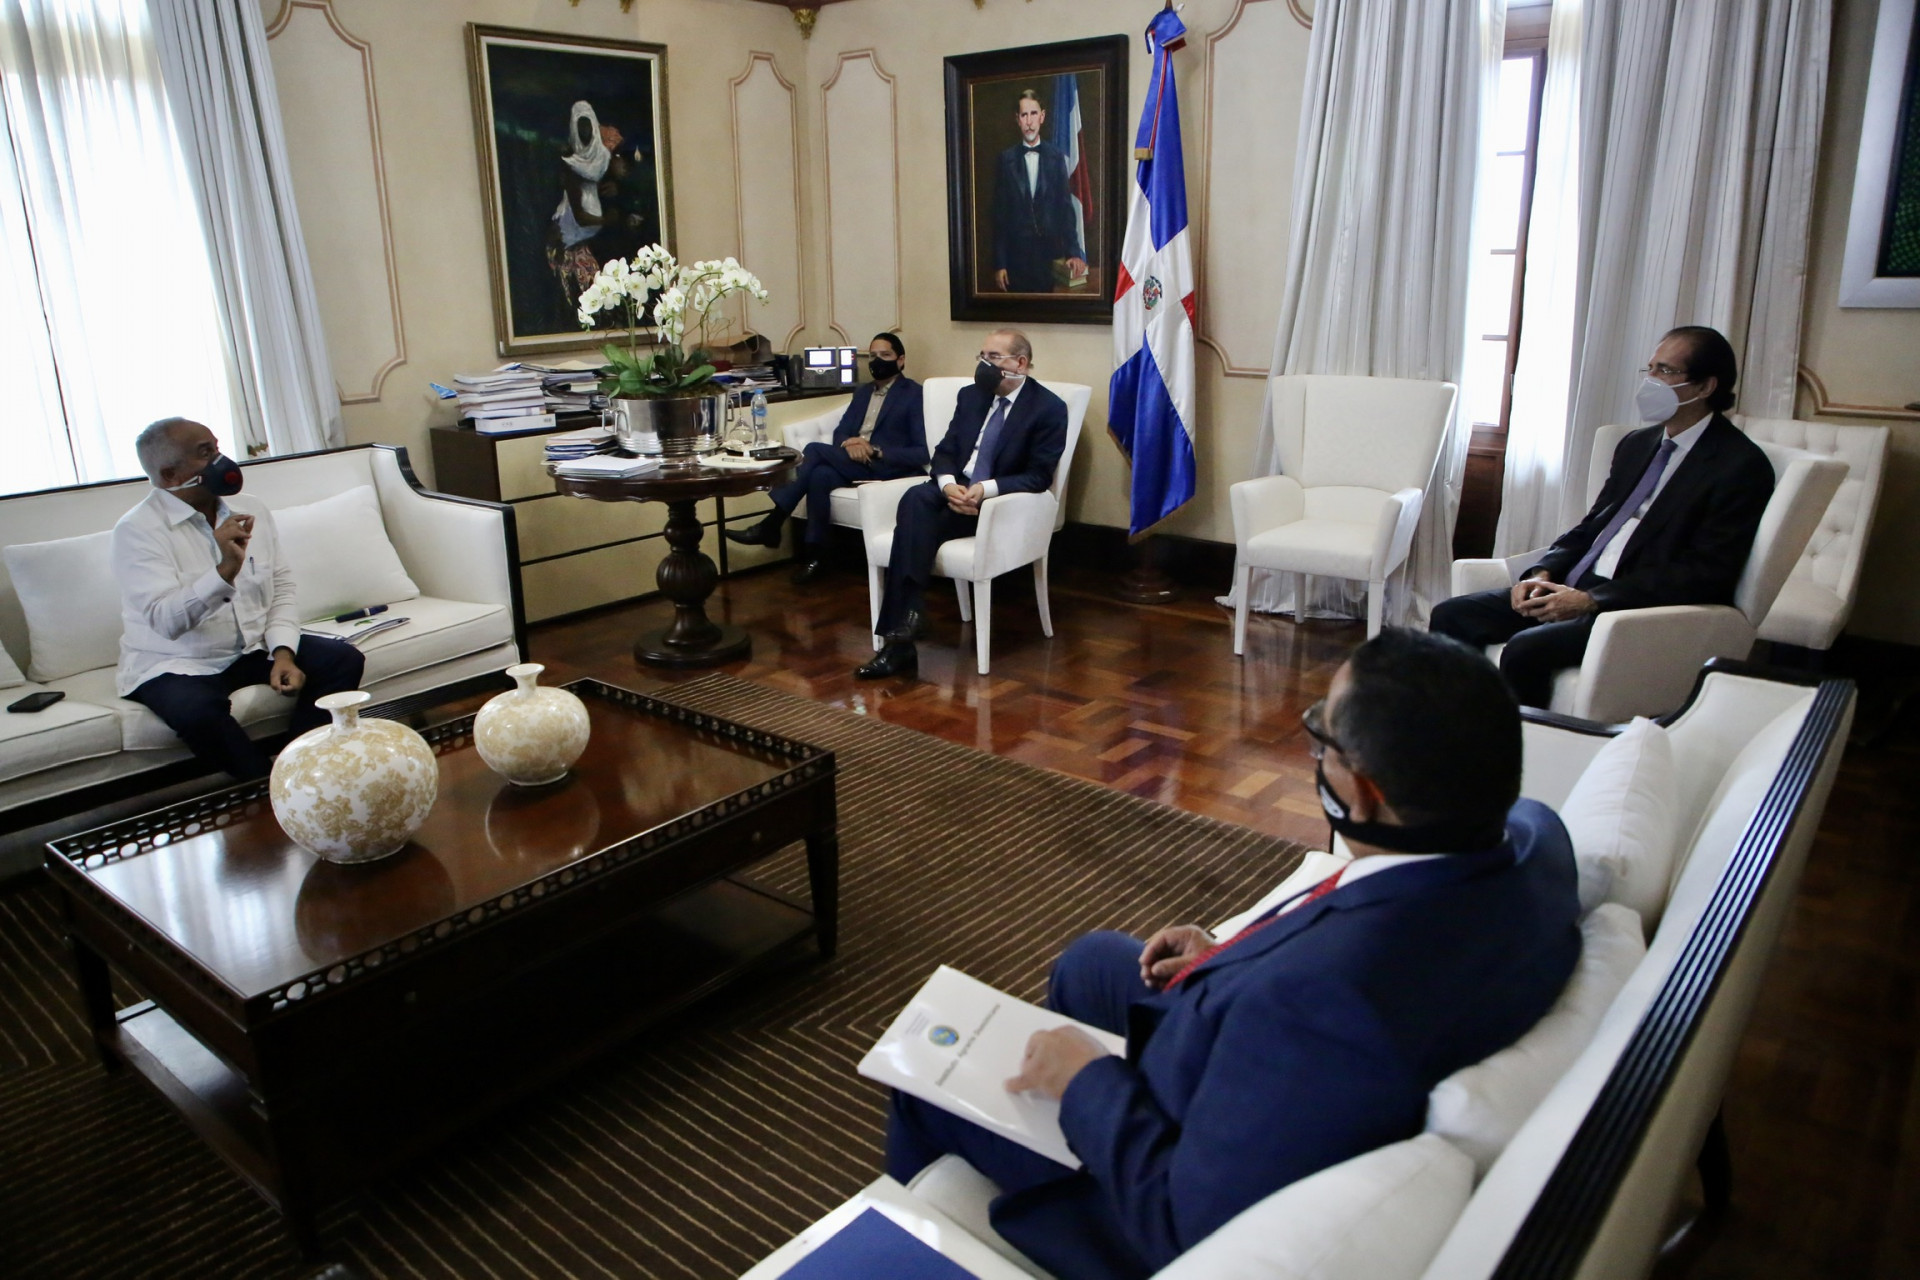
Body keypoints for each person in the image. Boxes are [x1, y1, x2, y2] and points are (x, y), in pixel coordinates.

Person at [885, 630, 1581, 1279]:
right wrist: (1232, 954)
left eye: (1323, 737)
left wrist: (1086, 1084)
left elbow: (1182, 1223)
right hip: (1243, 1045)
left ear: (1364, 794)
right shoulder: (1534, 844)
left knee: (923, 1075)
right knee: (1091, 962)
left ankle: (903, 1244)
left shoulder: (1320, 1005)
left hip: (1160, 1174)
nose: (1315, 752)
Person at [1430, 325, 1776, 709]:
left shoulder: (1739, 465)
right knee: (1452, 615)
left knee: (1526, 650)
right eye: (1649, 369)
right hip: (1573, 585)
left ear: (1705, 386)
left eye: (1665, 371)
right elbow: (1592, 526)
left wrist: (1591, 600)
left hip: (1629, 608)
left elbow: (1705, 573)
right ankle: (1451, 728)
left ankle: (1522, 743)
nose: (1650, 381)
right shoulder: (1637, 444)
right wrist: (1542, 572)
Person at [113, 418, 365, 781]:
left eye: (217, 448)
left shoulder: (250, 508)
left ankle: (300, 771)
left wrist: (283, 653)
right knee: (198, 713)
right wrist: (224, 571)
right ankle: (265, 786)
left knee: (342, 659)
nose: (221, 461)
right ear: (169, 475)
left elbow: (281, 586)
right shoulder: (137, 530)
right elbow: (166, 621)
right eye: (205, 454)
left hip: (249, 647)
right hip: (176, 661)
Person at [855, 330, 1068, 679]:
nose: (984, 364)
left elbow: (1038, 476)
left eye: (994, 357)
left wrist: (985, 489)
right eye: (982, 356)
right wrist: (947, 484)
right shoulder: (971, 396)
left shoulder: (1048, 408)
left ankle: (899, 643)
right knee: (915, 499)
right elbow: (945, 451)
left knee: (912, 530)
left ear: (1020, 363)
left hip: (997, 506)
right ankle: (906, 625)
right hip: (955, 491)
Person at [724, 333, 927, 584]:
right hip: (855, 462)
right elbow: (841, 431)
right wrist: (849, 443)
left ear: (901, 360)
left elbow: (922, 452)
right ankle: (816, 557)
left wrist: (873, 449)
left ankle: (772, 523)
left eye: (885, 355)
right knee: (820, 475)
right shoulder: (863, 392)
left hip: (886, 468)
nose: (877, 361)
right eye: (873, 356)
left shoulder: (914, 394)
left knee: (813, 449)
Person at [992, 89, 1088, 293]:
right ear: (1017, 119)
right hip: (1016, 261)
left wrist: (1073, 252)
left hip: (1049, 259)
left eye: (1033, 114)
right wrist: (1000, 263)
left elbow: (1065, 208)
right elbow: (1000, 216)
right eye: (1024, 115)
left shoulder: (1056, 157)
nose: (1029, 122)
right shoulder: (1005, 160)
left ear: (1042, 116)